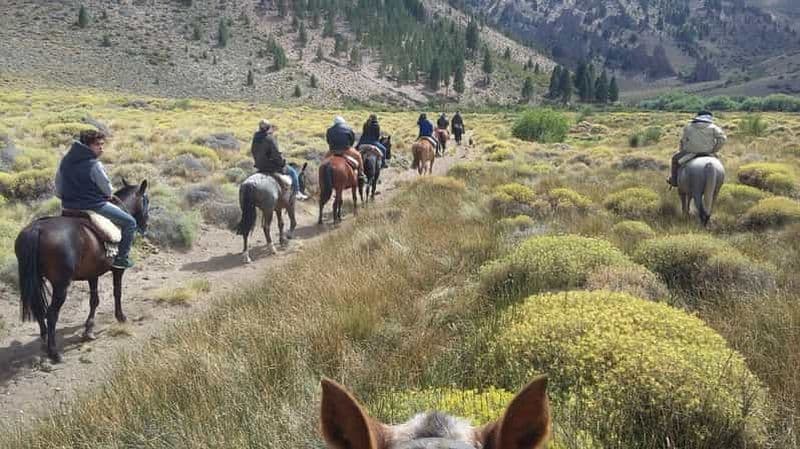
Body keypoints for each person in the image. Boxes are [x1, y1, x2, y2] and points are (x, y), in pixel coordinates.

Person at [54, 130, 137, 270]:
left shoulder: (65, 161)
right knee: (130, 222)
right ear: (87, 146)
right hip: (94, 205)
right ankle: (121, 259)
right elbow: (108, 190)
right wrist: (107, 195)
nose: (101, 148)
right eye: (97, 144)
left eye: (102, 144)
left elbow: (58, 187)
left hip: (68, 206)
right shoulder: (94, 164)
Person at [251, 119, 308, 200]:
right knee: (293, 172)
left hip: (259, 166)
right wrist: (282, 163)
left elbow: (253, 151)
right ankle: (297, 192)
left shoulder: (255, 138)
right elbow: (276, 154)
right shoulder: (269, 138)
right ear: (268, 128)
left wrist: (258, 161)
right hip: (271, 167)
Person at [667, 111, 727, 187]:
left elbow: (683, 140)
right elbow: (722, 139)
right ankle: (721, 180)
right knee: (719, 163)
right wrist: (714, 150)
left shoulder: (688, 127)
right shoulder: (713, 127)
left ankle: (674, 180)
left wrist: (683, 150)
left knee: (675, 159)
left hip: (690, 153)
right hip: (708, 152)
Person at [325, 116, 365, 181]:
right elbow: (352, 140)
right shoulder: (348, 129)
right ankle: (361, 174)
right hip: (346, 150)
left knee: (324, 161)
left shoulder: (329, 130)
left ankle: (321, 177)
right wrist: (349, 146)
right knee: (358, 156)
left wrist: (332, 147)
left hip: (333, 151)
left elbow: (328, 140)